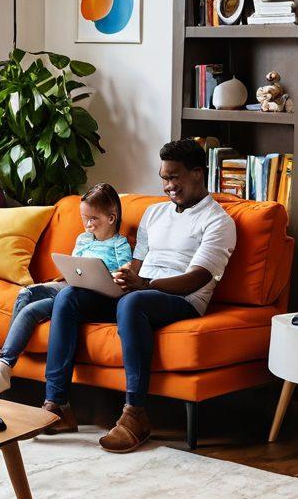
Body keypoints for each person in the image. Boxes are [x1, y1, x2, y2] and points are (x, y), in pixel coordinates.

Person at [40, 139, 236, 451]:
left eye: (174, 177)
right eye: (164, 178)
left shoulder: (218, 221)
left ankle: (135, 415)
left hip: (181, 300)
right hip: (141, 291)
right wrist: (119, 278)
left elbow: (197, 280)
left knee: (133, 302)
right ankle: (57, 405)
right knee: (68, 298)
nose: (168, 186)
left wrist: (142, 285)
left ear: (198, 173)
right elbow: (139, 265)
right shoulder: (154, 214)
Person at [0, 182, 132, 398]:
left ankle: (4, 367)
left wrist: (113, 274)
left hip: (91, 296)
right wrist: (48, 283)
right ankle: (4, 365)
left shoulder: (119, 244)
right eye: (85, 219)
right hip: (69, 285)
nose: (88, 225)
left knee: (30, 311)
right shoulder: (83, 239)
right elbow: (75, 268)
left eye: (94, 219)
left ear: (111, 218)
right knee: (26, 292)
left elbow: (124, 273)